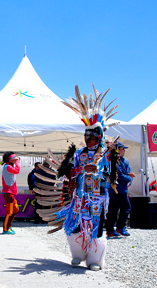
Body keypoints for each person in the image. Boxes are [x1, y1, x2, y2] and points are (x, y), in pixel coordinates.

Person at [35, 85, 118, 271]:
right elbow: (68, 172)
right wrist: (81, 169)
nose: (87, 138)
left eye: (91, 136)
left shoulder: (106, 154)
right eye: (86, 135)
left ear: (99, 136)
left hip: (98, 196)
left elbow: (111, 177)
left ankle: (95, 259)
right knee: (75, 225)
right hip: (80, 197)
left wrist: (98, 171)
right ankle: (78, 254)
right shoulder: (79, 153)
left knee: (97, 227)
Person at [106, 142, 136, 237]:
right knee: (126, 208)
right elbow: (118, 174)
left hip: (118, 189)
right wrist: (129, 178)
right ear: (118, 149)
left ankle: (110, 229)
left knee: (113, 209)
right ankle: (120, 227)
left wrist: (128, 178)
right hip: (118, 189)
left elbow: (125, 173)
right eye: (122, 149)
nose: (124, 151)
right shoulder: (114, 160)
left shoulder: (123, 161)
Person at [1, 151, 21, 234]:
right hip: (8, 192)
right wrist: (17, 162)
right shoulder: (7, 166)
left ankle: (9, 226)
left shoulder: (9, 166)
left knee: (16, 210)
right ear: (8, 160)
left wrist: (16, 161)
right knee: (9, 212)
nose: (14, 160)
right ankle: (5, 229)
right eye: (13, 159)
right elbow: (17, 171)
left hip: (11, 192)